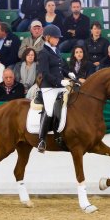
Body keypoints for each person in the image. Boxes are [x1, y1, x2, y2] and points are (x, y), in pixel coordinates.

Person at [37, 24, 75, 153]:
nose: (58, 40)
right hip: (48, 87)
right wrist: (60, 81)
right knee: (49, 110)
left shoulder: (56, 50)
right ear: (47, 37)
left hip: (59, 85)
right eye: (55, 37)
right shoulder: (43, 53)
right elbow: (45, 73)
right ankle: (41, 140)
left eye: (58, 38)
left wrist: (68, 74)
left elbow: (59, 68)